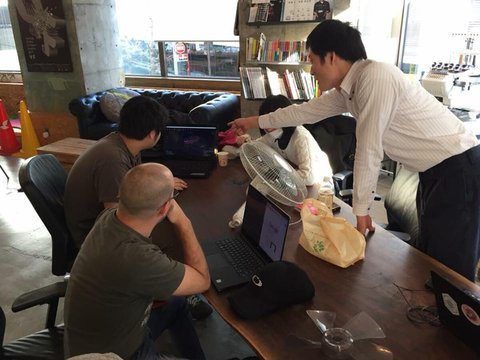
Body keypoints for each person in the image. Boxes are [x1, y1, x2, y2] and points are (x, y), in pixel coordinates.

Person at [229, 19, 480, 282]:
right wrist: (255, 122)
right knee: (430, 261)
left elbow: (369, 151)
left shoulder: (376, 78)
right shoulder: (350, 88)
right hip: (433, 172)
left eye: (313, 60)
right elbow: (304, 111)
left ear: (332, 57)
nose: (311, 69)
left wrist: (361, 212)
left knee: (450, 272)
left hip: (458, 167)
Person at [64, 95, 212, 320]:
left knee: (169, 218)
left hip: (100, 229)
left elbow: (136, 184)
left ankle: (171, 280)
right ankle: (178, 287)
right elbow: (122, 217)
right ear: (153, 134)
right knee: (175, 231)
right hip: (95, 239)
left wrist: (161, 183)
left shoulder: (122, 144)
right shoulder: (112, 161)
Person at [64, 163, 210, 359]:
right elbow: (202, 280)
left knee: (176, 303)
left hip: (102, 335)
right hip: (117, 353)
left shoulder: (108, 217)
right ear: (165, 208)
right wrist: (184, 223)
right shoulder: (138, 259)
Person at [256, 94, 332, 186]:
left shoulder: (301, 138)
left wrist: (279, 175)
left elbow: (308, 178)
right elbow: (256, 146)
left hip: (321, 186)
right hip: (295, 182)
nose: (268, 128)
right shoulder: (272, 135)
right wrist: (243, 141)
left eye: (272, 121)